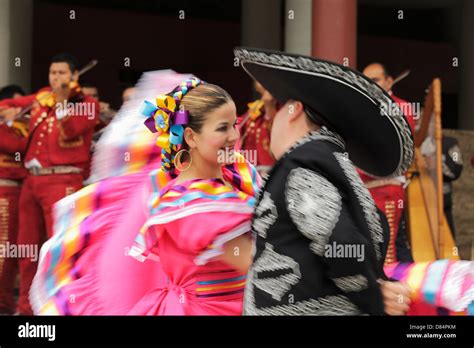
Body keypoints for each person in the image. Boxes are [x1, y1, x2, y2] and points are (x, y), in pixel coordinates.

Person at [235, 48, 472, 316]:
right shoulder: (337, 170)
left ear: (294, 111)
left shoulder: (302, 168)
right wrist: (376, 288)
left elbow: (341, 242)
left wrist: (373, 296)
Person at [0, 53, 98, 314]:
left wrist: (65, 102)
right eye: (53, 73)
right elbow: (13, 101)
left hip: (63, 179)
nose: (56, 78)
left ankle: (60, 307)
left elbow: (71, 130)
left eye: (62, 74)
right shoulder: (44, 96)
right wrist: (8, 109)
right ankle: (26, 308)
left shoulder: (87, 104)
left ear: (74, 76)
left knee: (61, 248)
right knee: (26, 248)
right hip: (33, 181)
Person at [361, 62, 415, 263]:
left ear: (389, 81)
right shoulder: (362, 109)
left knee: (388, 252)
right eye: (366, 81)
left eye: (375, 80)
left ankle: (399, 291)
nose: (370, 85)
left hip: (386, 188)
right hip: (363, 190)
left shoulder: (402, 107)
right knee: (370, 251)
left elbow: (396, 147)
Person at [0, 85, 28, 314]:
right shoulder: (5, 127)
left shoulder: (19, 126)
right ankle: (3, 302)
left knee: (18, 248)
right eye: (17, 106)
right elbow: (15, 146)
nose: (22, 111)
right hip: (5, 191)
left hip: (21, 191)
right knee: (4, 248)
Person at [237, 81, 278, 176]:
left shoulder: (284, 109)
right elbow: (239, 128)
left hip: (269, 171)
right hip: (248, 170)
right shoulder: (256, 107)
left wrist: (269, 110)